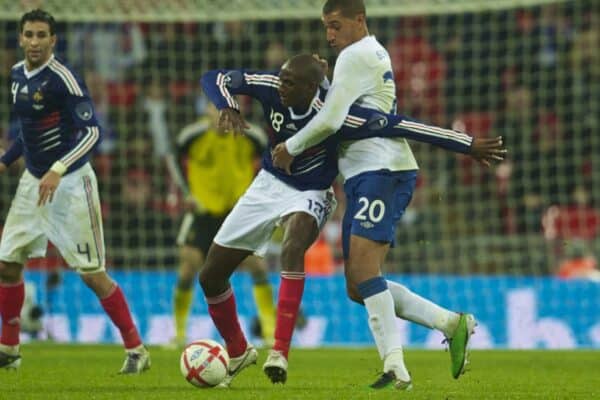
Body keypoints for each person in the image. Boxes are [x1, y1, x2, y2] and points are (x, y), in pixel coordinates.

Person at [201, 53, 503, 386]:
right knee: (211, 276)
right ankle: (239, 351)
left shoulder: (337, 115)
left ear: (312, 88)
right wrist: (226, 104)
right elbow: (216, 77)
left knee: (295, 247)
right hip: (267, 185)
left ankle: (280, 353)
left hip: (313, 193)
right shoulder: (272, 86)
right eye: (282, 79)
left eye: (289, 82)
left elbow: (401, 124)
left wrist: (468, 144)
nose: (281, 85)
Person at [272, 0, 504, 389]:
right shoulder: (366, 53)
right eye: (325, 27)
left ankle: (395, 367)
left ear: (358, 20)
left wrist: (290, 147)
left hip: (383, 170)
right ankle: (451, 323)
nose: (330, 34)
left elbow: (332, 120)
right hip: (365, 175)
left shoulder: (357, 55)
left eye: (335, 25)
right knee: (355, 285)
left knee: (364, 273)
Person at [0, 9, 149, 373]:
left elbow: (92, 132)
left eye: (41, 36)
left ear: (53, 40)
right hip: (33, 183)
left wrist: (57, 169)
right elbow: (27, 132)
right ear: (20, 39)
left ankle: (136, 350)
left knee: (91, 274)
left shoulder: (64, 79)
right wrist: (5, 160)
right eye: (29, 35)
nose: (34, 42)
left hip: (71, 184)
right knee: (6, 263)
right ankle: (9, 348)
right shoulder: (18, 76)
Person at [168, 102, 277, 347]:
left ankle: (270, 333)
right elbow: (172, 159)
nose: (219, 115)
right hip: (203, 211)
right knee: (188, 267)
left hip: (238, 213)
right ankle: (178, 333)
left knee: (257, 266)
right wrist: (187, 193)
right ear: (205, 111)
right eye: (213, 108)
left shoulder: (252, 136)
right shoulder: (192, 136)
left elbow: (272, 159)